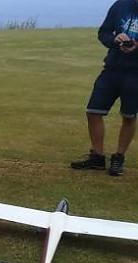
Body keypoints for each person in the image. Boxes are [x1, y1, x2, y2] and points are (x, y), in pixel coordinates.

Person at [71, 0, 138, 176]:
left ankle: (119, 158)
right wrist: (115, 40)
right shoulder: (120, 5)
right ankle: (97, 157)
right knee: (93, 112)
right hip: (112, 69)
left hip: (135, 74)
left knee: (129, 116)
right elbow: (104, 32)